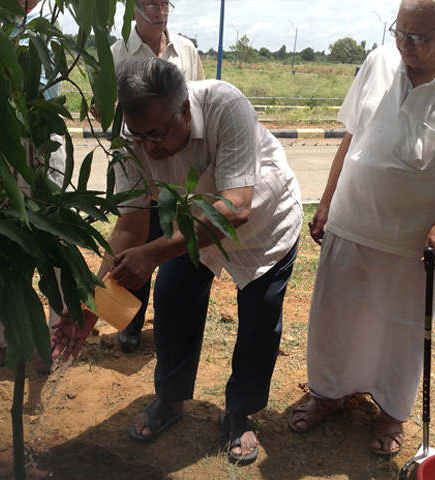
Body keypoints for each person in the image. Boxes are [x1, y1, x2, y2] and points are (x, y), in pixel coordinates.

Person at [51, 57, 303, 465]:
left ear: (184, 109)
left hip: (264, 230)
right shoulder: (133, 144)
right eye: (137, 135)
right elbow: (130, 229)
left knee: (260, 317)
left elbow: (236, 208)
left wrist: (153, 254)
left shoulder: (225, 106)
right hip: (193, 230)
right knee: (172, 298)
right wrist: (89, 311)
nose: (148, 147)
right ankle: (169, 400)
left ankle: (239, 412)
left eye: (156, 133)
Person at [289, 0, 435, 457]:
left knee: (401, 327)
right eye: (399, 33)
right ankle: (328, 394)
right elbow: (351, 136)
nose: (406, 46)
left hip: (414, 237)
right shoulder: (378, 61)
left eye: (420, 37)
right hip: (351, 218)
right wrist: (326, 203)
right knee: (335, 316)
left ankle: (390, 412)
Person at [97, 0, 205, 352]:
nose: (159, 12)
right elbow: (106, 115)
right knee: (138, 242)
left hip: (179, 169)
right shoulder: (115, 54)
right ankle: (129, 321)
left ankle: (168, 322)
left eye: (164, 3)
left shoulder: (186, 50)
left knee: (172, 249)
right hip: (137, 160)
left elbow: (199, 101)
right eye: (149, 4)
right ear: (132, 10)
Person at [0, 0, 66, 373]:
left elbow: (51, 95)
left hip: (42, 141)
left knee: (51, 237)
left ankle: (51, 336)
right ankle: (6, 337)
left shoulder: (46, 31)